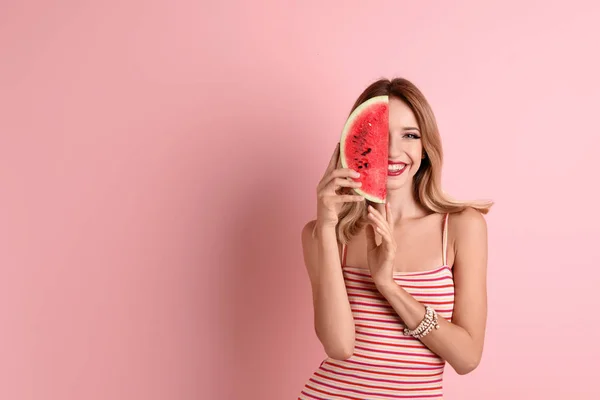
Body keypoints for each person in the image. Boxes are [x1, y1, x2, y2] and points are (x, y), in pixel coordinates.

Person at [298, 77, 493, 399]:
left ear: (426, 147)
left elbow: (467, 357)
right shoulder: (322, 233)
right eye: (376, 136)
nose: (393, 151)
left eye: (410, 135)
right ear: (354, 144)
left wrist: (388, 285)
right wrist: (328, 224)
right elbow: (340, 346)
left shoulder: (461, 227)